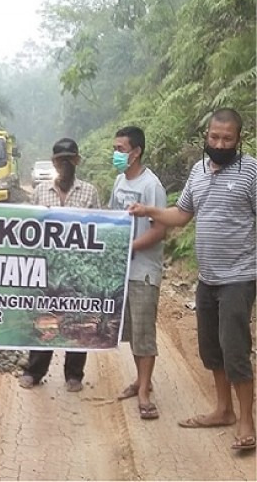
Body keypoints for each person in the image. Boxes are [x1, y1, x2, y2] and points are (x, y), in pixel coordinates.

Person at [129, 108, 256, 450]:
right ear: (206, 136)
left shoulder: (251, 172)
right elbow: (181, 215)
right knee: (211, 349)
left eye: (227, 138)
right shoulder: (198, 171)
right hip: (207, 278)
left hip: (239, 277)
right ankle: (223, 409)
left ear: (238, 139)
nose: (219, 143)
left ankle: (246, 422)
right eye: (214, 137)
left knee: (235, 350)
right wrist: (149, 211)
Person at [18, 137, 101, 393]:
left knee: (78, 319)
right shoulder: (41, 191)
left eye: (69, 159)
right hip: (48, 268)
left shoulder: (90, 192)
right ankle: (35, 370)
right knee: (45, 319)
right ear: (54, 162)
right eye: (60, 159)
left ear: (76, 160)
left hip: (79, 270)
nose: (65, 163)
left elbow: (99, 227)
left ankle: (74, 374)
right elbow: (31, 229)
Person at [108, 126, 167, 420]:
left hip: (144, 270)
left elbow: (161, 228)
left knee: (145, 332)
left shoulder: (150, 186)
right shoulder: (119, 181)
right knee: (132, 331)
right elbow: (111, 220)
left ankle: (144, 392)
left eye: (121, 149)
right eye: (115, 148)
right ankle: (142, 380)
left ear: (136, 152)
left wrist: (131, 246)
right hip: (123, 270)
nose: (116, 154)